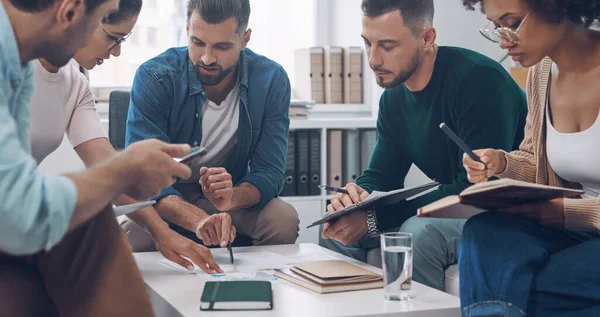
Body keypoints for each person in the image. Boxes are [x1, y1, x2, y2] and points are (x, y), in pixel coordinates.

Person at [0, 0, 218, 315]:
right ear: (70, 10)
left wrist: (161, 232)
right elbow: (15, 207)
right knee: (87, 225)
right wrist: (124, 168)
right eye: (105, 21)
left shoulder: (35, 69)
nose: (115, 52)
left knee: (90, 221)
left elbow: (100, 166)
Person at [318, 0, 527, 291]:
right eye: (368, 43)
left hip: (501, 209)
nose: (373, 60)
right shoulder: (393, 98)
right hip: (461, 205)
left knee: (418, 232)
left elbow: (475, 188)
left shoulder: (479, 80)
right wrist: (355, 202)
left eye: (388, 46)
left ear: (427, 38)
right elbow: (382, 176)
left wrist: (373, 219)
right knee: (334, 229)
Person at [460, 0, 600, 316]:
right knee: (485, 232)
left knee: (525, 284)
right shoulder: (542, 73)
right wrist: (503, 163)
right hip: (576, 227)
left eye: (512, 22)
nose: (504, 40)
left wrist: (571, 213)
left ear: (558, 6)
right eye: (497, 27)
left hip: (580, 220)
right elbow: (536, 161)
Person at [124, 0, 299, 250]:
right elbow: (144, 178)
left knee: (283, 219)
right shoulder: (155, 77)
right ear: (186, 29)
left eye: (222, 46)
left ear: (245, 39)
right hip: (167, 198)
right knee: (130, 237)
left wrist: (230, 199)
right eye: (197, 42)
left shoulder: (271, 80)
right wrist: (200, 220)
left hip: (227, 199)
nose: (207, 58)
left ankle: (252, 287)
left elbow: (270, 172)